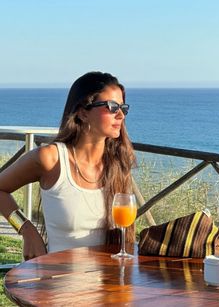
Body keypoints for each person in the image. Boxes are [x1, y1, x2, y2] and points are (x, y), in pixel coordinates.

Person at [0, 71, 136, 260]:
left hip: (109, 284)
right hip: (57, 281)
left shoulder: (117, 164)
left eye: (123, 107)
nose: (120, 115)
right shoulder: (51, 158)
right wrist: (26, 229)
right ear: (82, 113)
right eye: (112, 107)